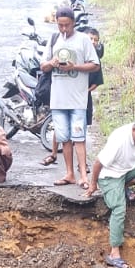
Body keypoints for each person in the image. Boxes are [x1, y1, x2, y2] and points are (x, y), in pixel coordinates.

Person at [83, 116, 135, 268]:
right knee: (119, 208)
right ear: (133, 129)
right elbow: (98, 163)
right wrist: (93, 185)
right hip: (109, 175)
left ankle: (123, 187)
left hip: (126, 172)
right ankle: (114, 253)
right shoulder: (119, 139)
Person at [41, 7, 99, 189]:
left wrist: (75, 67)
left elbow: (95, 65)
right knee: (64, 138)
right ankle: (69, 174)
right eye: (60, 25)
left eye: (67, 25)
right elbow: (43, 66)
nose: (64, 29)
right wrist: (51, 63)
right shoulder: (53, 39)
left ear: (73, 22)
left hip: (77, 100)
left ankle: (83, 176)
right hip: (58, 100)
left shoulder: (83, 40)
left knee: (79, 137)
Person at [44, 25, 104, 166]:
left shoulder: (95, 61)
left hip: (82, 97)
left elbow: (97, 81)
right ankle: (54, 153)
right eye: (91, 39)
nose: (93, 42)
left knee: (79, 132)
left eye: (96, 40)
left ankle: (81, 165)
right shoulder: (71, 53)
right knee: (61, 127)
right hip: (65, 94)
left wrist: (85, 90)